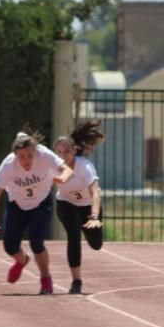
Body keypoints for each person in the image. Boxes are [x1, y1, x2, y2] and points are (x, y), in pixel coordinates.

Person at [0, 127, 73, 295]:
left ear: (35, 151)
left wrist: (63, 178)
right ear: (15, 155)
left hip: (40, 203)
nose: (26, 160)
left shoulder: (44, 155)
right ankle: (22, 260)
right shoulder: (9, 164)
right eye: (21, 156)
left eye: (29, 155)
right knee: (10, 246)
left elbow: (67, 169)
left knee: (36, 243)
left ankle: (45, 278)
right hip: (17, 205)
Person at [52, 120, 106, 295]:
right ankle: (76, 281)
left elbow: (95, 192)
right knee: (73, 235)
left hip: (88, 207)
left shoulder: (85, 167)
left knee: (96, 245)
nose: (63, 155)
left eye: (67, 151)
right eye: (59, 152)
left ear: (74, 150)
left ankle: (92, 228)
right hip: (66, 203)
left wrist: (95, 216)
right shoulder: (53, 167)